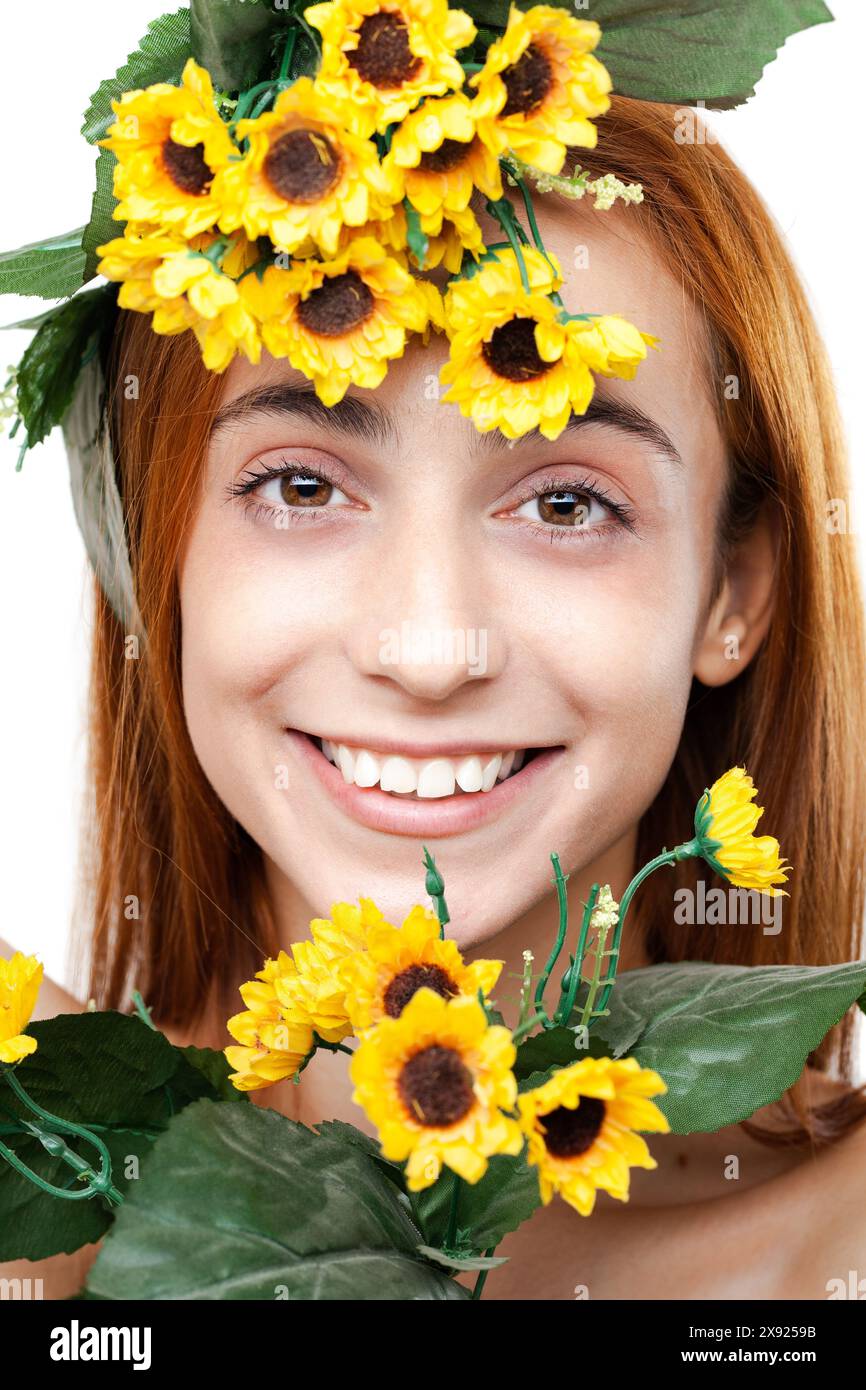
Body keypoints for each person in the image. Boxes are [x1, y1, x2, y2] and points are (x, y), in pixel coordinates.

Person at [3, 92, 866, 1301]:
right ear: (159, 553)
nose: (424, 649)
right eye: (300, 485)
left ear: (733, 592)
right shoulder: (34, 1165)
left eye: (566, 504)